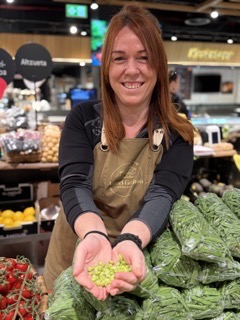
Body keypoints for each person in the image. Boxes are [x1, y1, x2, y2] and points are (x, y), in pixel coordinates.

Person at [43, 4, 195, 300]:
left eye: (144, 58)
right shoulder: (82, 119)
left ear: (160, 66)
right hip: (78, 252)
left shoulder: (179, 133)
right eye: (119, 59)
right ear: (107, 68)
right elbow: (74, 183)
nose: (132, 70)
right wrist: (95, 234)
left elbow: (162, 194)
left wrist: (130, 239)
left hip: (135, 255)